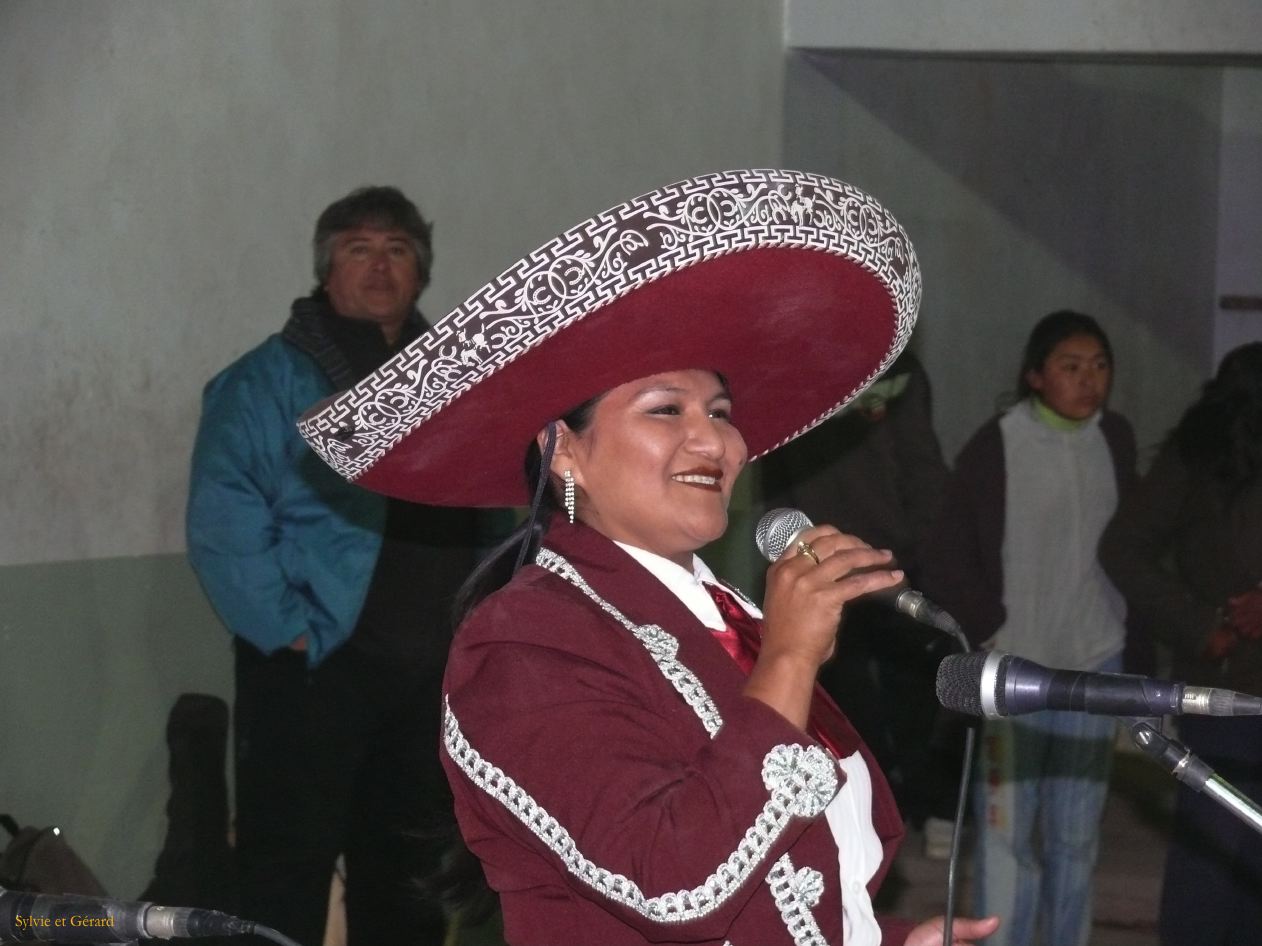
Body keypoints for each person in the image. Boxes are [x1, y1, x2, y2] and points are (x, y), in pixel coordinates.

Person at [298, 169, 999, 945]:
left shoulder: (732, 620)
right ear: (565, 451)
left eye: (721, 413)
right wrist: (791, 659)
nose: (715, 442)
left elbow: (783, 883)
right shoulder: (521, 639)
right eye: (666, 410)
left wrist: (889, 937)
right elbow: (671, 882)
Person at [186, 186, 478, 946]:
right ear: (326, 270)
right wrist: (287, 631)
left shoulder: (451, 380)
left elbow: (490, 502)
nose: (380, 267)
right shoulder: (266, 381)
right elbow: (223, 517)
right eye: (358, 250)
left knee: (409, 882)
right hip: (313, 666)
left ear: (421, 272)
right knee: (283, 876)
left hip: (426, 676)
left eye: (397, 250)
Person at [920, 311, 1143, 946]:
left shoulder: (1115, 438)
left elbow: (1135, 547)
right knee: (1006, 834)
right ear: (1036, 376)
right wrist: (988, 627)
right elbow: (946, 553)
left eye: (1099, 366)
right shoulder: (997, 445)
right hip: (1014, 668)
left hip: (1094, 661)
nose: (1088, 381)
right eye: (1071, 367)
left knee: (1075, 835)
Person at [760, 348, 958, 855]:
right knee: (843, 697)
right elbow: (776, 467)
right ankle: (875, 808)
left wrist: (925, 553)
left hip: (893, 558)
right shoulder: (791, 365)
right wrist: (788, 550)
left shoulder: (898, 367)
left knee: (916, 687)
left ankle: (930, 801)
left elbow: (923, 465)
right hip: (819, 559)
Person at [1099, 342, 1262, 946]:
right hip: (1226, 689)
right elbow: (1124, 547)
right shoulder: (1199, 456)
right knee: (1214, 852)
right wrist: (1201, 626)